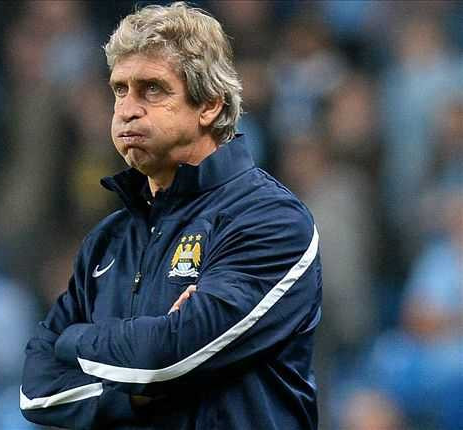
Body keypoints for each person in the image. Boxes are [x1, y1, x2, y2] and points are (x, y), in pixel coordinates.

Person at [20, 3, 322, 429]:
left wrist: (74, 340)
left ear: (209, 105)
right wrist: (135, 386)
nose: (127, 109)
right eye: (119, 90)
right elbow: (36, 390)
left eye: (152, 90)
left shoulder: (273, 221)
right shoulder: (108, 240)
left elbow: (164, 358)